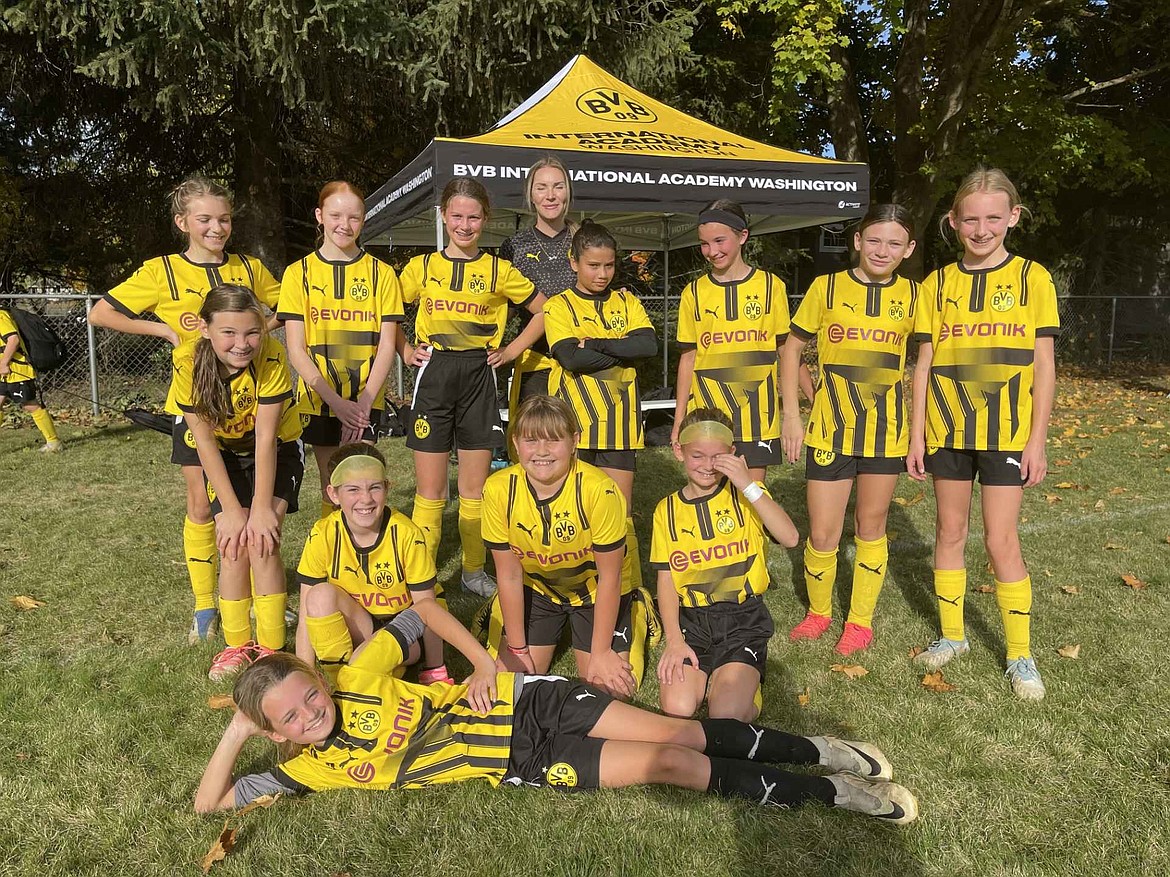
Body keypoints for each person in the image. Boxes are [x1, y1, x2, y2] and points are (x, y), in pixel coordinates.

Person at [195, 597, 918, 825]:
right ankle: (831, 792)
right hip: (527, 761)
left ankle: (815, 748)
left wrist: (482, 662)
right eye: (289, 718)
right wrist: (237, 729)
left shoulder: (359, 672)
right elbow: (211, 802)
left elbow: (420, 611)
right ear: (276, 732)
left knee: (680, 729)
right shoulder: (316, 771)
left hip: (532, 700)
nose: (309, 714)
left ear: (317, 676)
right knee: (670, 764)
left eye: (307, 694)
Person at [89, 176, 281, 643]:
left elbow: (286, 307)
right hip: (194, 402)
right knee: (202, 503)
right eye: (206, 219)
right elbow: (100, 313)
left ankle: (259, 600)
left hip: (249, 400)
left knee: (254, 498)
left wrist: (260, 330)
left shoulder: (249, 268)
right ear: (183, 223)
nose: (217, 228)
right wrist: (166, 332)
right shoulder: (161, 271)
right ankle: (204, 606)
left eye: (224, 219)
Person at [908, 168, 1060, 701]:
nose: (981, 228)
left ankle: (1019, 652)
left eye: (993, 217)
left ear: (1012, 218)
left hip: (1007, 434)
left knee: (1001, 540)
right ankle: (953, 636)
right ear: (953, 223)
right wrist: (914, 436)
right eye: (970, 219)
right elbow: (923, 363)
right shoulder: (937, 284)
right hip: (946, 431)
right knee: (949, 533)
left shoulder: (1032, 278)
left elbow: (1044, 365)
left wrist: (1036, 440)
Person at [780, 204, 920, 656]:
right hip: (829, 431)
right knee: (823, 533)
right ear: (857, 241)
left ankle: (859, 621)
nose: (883, 250)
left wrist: (919, 431)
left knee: (871, 526)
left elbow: (928, 361)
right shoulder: (827, 287)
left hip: (887, 434)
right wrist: (793, 414)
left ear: (908, 249)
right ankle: (819, 612)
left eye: (894, 243)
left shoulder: (917, 297)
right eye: (874, 240)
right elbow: (792, 348)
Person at [398, 177, 545, 597]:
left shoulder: (499, 270)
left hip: (479, 374)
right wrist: (405, 349)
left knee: (474, 490)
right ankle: (423, 577)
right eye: (457, 215)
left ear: (486, 219)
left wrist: (513, 349)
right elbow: (385, 311)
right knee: (431, 491)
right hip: (435, 372)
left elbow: (545, 310)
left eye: (474, 217)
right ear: (443, 217)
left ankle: (473, 571)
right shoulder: (421, 268)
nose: (465, 224)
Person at [173, 285, 303, 682]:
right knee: (231, 543)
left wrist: (261, 509)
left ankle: (271, 646)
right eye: (229, 333)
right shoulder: (186, 362)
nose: (242, 343)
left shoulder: (272, 355)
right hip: (223, 455)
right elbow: (205, 442)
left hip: (277, 448)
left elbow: (266, 438)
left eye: (251, 332)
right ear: (206, 329)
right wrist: (231, 511)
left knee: (262, 541)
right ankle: (236, 644)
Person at [484, 394, 638, 698]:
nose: (541, 451)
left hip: (595, 591)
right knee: (509, 689)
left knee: (608, 690)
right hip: (541, 591)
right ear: (515, 443)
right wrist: (517, 648)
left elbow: (611, 576)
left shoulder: (600, 490)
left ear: (574, 441)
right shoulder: (498, 489)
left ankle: (638, 611)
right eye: (531, 440)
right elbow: (510, 575)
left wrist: (601, 651)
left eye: (553, 440)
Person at [653, 409, 799, 721]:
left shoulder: (746, 496)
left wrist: (749, 484)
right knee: (677, 709)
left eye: (717, 457)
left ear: (732, 454)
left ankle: (744, 686)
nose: (707, 466)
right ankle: (712, 679)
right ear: (679, 451)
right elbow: (666, 580)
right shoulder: (665, 511)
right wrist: (674, 641)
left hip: (743, 620)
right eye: (697, 455)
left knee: (726, 715)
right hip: (692, 621)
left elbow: (789, 537)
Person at [277, 181, 403, 520]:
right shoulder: (297, 274)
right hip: (319, 400)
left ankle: (359, 562)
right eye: (335, 215)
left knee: (360, 483)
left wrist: (362, 404)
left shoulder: (383, 274)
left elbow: (387, 345)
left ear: (364, 220)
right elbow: (296, 350)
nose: (344, 225)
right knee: (331, 486)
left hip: (366, 401)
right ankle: (333, 561)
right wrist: (336, 404)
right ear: (319, 216)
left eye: (353, 217)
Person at [544, 220, 657, 592]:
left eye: (609, 265)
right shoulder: (559, 306)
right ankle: (578, 588)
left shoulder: (627, 300)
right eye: (594, 265)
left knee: (619, 515)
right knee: (575, 511)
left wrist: (596, 344)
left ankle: (630, 592)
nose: (603, 273)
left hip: (620, 427)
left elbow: (647, 348)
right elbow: (570, 359)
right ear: (574, 262)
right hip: (574, 426)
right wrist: (621, 349)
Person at [295, 443, 449, 687]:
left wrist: (435, 669)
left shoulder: (407, 534)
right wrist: (304, 674)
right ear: (333, 494)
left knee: (362, 663)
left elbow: (427, 608)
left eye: (374, 487)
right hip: (362, 623)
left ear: (387, 488)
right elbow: (306, 613)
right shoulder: (323, 533)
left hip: (406, 627)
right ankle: (339, 677)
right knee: (318, 596)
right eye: (353, 489)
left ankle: (353, 680)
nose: (365, 499)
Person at [671, 199, 795, 485]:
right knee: (711, 497)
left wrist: (792, 413)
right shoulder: (694, 293)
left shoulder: (771, 286)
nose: (712, 251)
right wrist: (679, 419)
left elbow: (786, 352)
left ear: (742, 236)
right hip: (708, 418)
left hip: (758, 419)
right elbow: (688, 358)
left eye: (719, 240)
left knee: (752, 499)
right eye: (704, 243)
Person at [498, 156, 577, 412]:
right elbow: (503, 309)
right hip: (535, 363)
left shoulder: (585, 240)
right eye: (541, 187)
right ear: (531, 195)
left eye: (558, 186)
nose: (550, 195)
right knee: (537, 443)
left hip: (582, 360)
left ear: (568, 193)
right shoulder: (514, 247)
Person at [0, 303, 61, 451]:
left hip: (17, 370)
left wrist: (4, 363)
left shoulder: (1, 316)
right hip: (5, 373)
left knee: (29, 405)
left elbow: (13, 340)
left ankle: (53, 442)